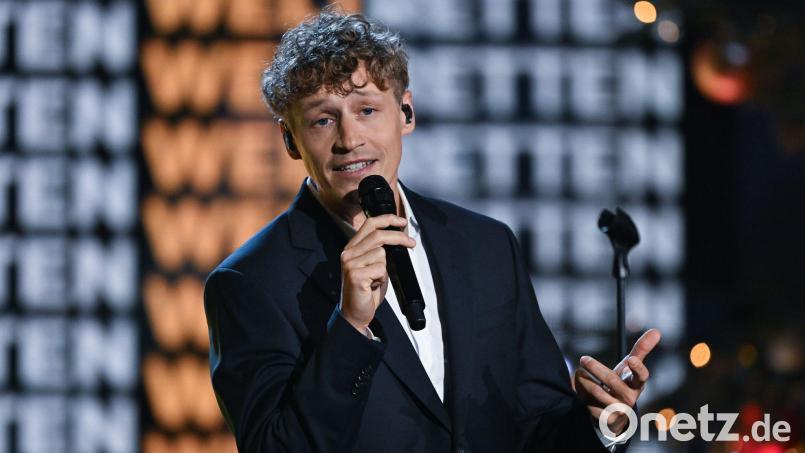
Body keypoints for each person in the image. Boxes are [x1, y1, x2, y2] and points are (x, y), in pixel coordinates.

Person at [203, 7, 661, 453]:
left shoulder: (486, 246)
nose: (349, 140)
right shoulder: (250, 283)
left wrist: (597, 422)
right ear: (289, 139)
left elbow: (536, 424)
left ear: (406, 113)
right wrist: (350, 326)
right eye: (323, 119)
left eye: (367, 110)